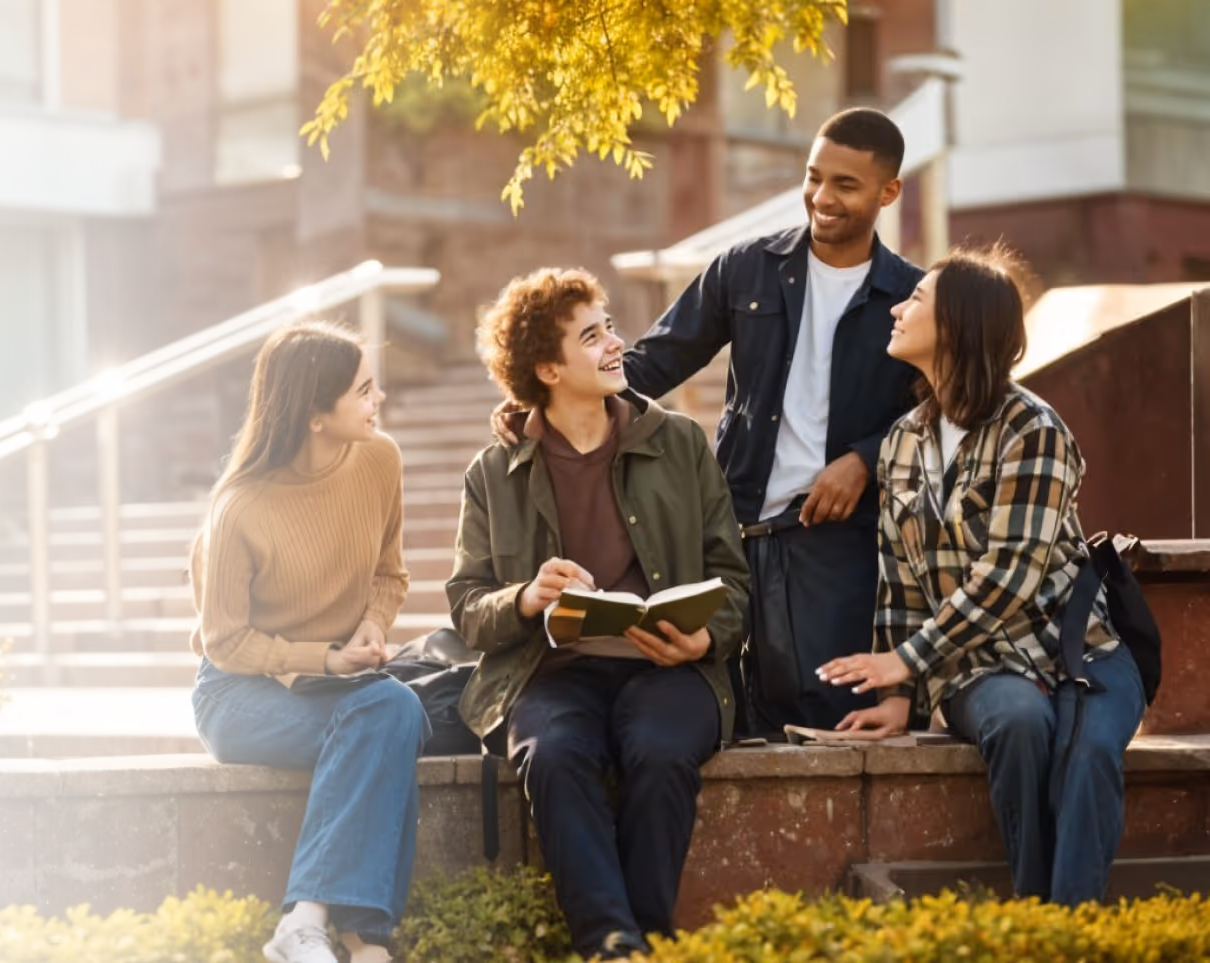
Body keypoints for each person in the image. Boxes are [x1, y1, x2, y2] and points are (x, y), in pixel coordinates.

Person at [817, 246, 1140, 905]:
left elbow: (1010, 573)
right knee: (1018, 723)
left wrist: (903, 660)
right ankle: (1033, 910)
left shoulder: (1033, 430)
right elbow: (900, 578)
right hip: (977, 668)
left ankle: (1072, 927)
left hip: (1082, 654)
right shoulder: (902, 442)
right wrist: (898, 697)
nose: (898, 309)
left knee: (1086, 755)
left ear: (958, 324)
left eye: (917, 300)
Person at [446, 268, 750, 960]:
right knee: (551, 755)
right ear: (548, 369)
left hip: (670, 668)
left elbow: (733, 577)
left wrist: (704, 638)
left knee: (662, 751)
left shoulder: (679, 441)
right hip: (550, 673)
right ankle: (615, 946)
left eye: (609, 327)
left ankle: (634, 944)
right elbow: (468, 606)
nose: (616, 343)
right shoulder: (493, 471)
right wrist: (525, 597)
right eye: (591, 336)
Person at [621, 107, 924, 737]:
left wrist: (866, 458)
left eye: (845, 184)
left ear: (888, 192)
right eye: (814, 177)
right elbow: (654, 361)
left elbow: (936, 411)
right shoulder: (745, 268)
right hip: (732, 533)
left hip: (836, 547)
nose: (822, 197)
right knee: (721, 718)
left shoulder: (910, 296)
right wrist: (552, 398)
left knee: (829, 721)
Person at [187, 321, 421, 963]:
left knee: (391, 711)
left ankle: (317, 923)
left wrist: (372, 626)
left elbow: (390, 573)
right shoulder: (239, 508)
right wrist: (323, 658)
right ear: (316, 415)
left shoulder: (380, 459)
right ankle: (361, 938)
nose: (379, 400)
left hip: (336, 687)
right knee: (386, 719)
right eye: (364, 391)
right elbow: (225, 641)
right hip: (239, 692)